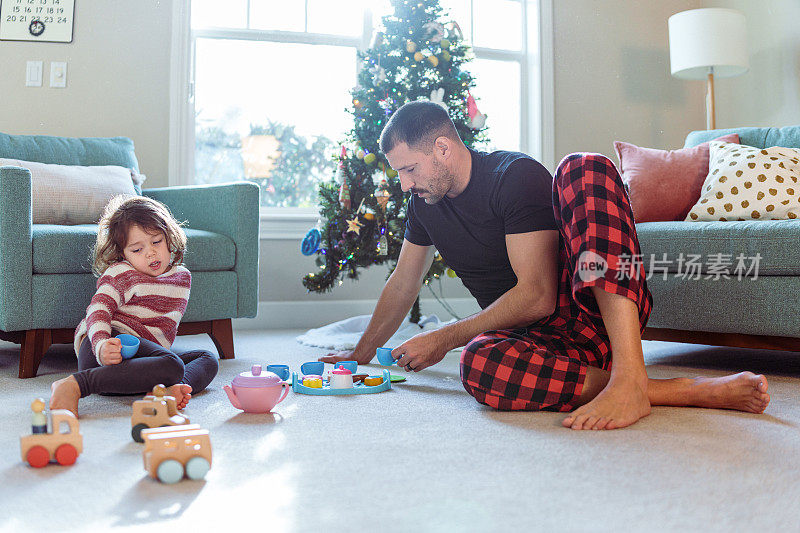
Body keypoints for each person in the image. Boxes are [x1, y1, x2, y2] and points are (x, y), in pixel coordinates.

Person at [321, 100, 771, 430]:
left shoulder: (511, 177)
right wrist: (360, 355)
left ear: (442, 148)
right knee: (478, 363)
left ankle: (631, 375)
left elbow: (537, 296)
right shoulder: (425, 205)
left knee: (582, 167)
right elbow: (403, 283)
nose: (403, 185)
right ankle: (669, 390)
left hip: (592, 315)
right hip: (536, 343)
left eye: (409, 169)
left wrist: (445, 336)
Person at [49, 196, 219, 417]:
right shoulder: (121, 273)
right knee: (173, 365)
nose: (150, 253)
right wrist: (101, 345)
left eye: (156, 241)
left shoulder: (181, 277)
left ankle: (165, 392)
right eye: (137, 250)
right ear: (123, 254)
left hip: (143, 354)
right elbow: (97, 311)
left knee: (208, 359)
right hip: (105, 343)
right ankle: (77, 384)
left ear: (169, 237)